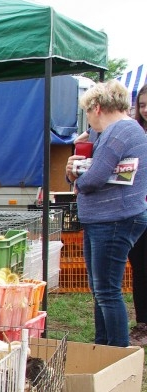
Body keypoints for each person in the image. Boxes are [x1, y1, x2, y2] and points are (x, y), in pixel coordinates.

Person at [65, 79, 147, 347]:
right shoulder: (125, 130)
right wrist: (78, 168)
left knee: (107, 291)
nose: (89, 121)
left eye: (87, 113)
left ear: (96, 107)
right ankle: (103, 346)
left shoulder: (118, 132)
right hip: (107, 218)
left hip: (112, 219)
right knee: (102, 290)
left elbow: (95, 177)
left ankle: (116, 352)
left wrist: (77, 181)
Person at [128, 85, 147, 345]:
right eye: (142, 105)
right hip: (137, 211)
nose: (145, 109)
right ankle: (143, 323)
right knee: (140, 268)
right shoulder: (135, 134)